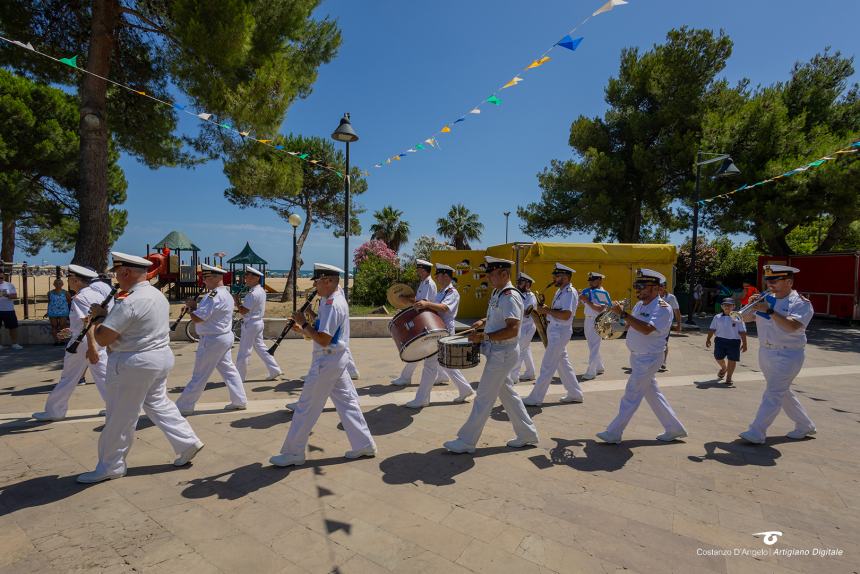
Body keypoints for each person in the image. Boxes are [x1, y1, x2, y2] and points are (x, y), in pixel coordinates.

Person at [77, 252, 203, 483]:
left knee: (120, 416)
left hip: (133, 363)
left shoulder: (130, 301)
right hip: (159, 357)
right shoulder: (156, 295)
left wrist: (98, 318)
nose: (116, 277)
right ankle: (187, 442)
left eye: (117, 273)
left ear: (125, 272)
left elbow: (104, 338)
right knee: (157, 402)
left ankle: (111, 465)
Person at [269, 264, 376, 467]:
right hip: (335, 360)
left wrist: (303, 322)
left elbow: (324, 339)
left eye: (317, 281)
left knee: (305, 407)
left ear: (328, 281)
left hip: (327, 361)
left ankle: (293, 452)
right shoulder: (330, 301)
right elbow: (324, 330)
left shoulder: (333, 303)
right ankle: (364, 444)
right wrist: (303, 329)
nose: (315, 286)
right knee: (347, 404)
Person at [443, 257, 539, 453]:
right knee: (508, 394)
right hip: (498, 351)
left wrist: (484, 336)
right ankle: (527, 433)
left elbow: (513, 329)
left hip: (503, 353)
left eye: (492, 274)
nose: (489, 277)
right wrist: (482, 321)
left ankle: (467, 441)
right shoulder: (499, 292)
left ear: (504, 274)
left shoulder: (510, 296)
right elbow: (499, 317)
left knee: (484, 398)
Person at [596, 269, 687, 444]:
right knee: (653, 394)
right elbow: (632, 326)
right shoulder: (640, 305)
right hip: (638, 357)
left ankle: (614, 432)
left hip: (649, 358)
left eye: (642, 286)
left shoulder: (663, 308)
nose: (638, 289)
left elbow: (646, 329)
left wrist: (623, 314)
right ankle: (674, 428)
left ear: (656, 289)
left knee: (631, 395)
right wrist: (613, 323)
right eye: (637, 286)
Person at [738, 265, 816, 444]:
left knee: (773, 392)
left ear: (789, 282)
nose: (769, 284)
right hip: (765, 352)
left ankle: (757, 431)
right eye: (768, 280)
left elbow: (793, 327)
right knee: (782, 391)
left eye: (774, 280)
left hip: (788, 354)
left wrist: (769, 310)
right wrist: (750, 306)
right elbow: (746, 318)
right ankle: (805, 425)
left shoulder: (800, 303)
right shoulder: (767, 299)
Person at [32, 265, 113, 422]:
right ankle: (115, 408)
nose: (68, 281)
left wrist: (91, 347)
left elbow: (88, 322)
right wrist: (71, 331)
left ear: (75, 280)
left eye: (69, 278)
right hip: (95, 340)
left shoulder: (81, 297)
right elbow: (92, 321)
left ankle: (55, 411)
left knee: (68, 378)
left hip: (83, 344)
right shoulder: (96, 295)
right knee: (104, 377)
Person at [175, 264, 248, 415]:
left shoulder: (213, 295)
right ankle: (239, 400)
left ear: (216, 278)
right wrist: (194, 307)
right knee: (229, 370)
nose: (203, 281)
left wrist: (191, 309)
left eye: (206, 277)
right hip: (223, 337)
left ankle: (184, 405)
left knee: (200, 374)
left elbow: (198, 319)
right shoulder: (225, 293)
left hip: (212, 339)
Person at [405, 263, 475, 408]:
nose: (438, 278)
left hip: (444, 331)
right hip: (438, 329)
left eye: (442, 275)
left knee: (430, 365)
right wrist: (423, 304)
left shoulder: (452, 292)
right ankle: (465, 389)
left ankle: (422, 399)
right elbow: (435, 306)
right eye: (438, 275)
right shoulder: (441, 292)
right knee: (447, 364)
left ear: (447, 277)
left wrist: (427, 304)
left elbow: (444, 307)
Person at [522, 263, 583, 407]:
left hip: (560, 331)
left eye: (558, 276)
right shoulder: (561, 291)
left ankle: (536, 398)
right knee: (563, 365)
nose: (554, 278)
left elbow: (566, 315)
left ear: (567, 277)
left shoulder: (569, 292)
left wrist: (546, 311)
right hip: (556, 330)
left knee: (547, 366)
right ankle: (575, 393)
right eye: (554, 276)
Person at [391, 259, 447, 386]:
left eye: (420, 270)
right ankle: (443, 375)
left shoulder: (429, 284)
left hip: (425, 320)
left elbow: (423, 303)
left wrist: (407, 301)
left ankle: (406, 377)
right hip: (423, 318)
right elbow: (418, 301)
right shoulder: (423, 283)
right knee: (425, 351)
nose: (418, 272)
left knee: (416, 348)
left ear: (425, 270)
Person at [235, 266, 283, 382]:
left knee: (244, 351)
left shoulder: (252, 293)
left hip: (251, 324)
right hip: (257, 322)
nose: (245, 278)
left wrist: (236, 301)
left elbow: (243, 311)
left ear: (255, 278)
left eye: (247, 276)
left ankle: (239, 377)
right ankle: (274, 369)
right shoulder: (260, 290)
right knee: (261, 348)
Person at [706, 298, 747, 385]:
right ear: (722, 306)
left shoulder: (737, 317)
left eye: (729, 305)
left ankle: (729, 378)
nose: (727, 307)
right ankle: (724, 368)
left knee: (732, 359)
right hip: (720, 341)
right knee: (718, 357)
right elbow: (712, 329)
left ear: (734, 306)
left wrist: (745, 343)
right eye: (725, 305)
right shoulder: (717, 317)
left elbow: (742, 331)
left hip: (734, 342)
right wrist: (708, 339)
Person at [579, 272, 612, 380]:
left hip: (598, 320)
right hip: (588, 319)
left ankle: (591, 372)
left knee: (594, 346)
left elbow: (599, 309)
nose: (590, 283)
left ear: (599, 281)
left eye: (593, 280)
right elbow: (585, 304)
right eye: (590, 281)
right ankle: (599, 366)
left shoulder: (602, 293)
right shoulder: (588, 291)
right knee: (592, 345)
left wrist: (586, 300)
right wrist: (582, 298)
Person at [511, 272, 538, 382]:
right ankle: (530, 373)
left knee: (519, 351)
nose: (518, 285)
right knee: (525, 350)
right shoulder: (517, 294)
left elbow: (527, 312)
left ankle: (513, 377)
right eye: (518, 282)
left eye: (521, 283)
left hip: (527, 327)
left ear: (527, 285)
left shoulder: (530, 296)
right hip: (521, 327)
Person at [659, 281, 682, 372]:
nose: (660, 288)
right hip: (653, 324)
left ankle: (663, 362)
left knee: (664, 343)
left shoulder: (670, 298)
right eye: (659, 286)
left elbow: (676, 311)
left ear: (665, 287)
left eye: (662, 286)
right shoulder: (652, 296)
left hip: (665, 325)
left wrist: (679, 324)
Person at [0, 270, 22, 350]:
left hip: (9, 310)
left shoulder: (9, 285)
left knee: (13, 327)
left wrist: (7, 295)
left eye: (1, 277)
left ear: (4, 277)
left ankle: (14, 343)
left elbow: (15, 296)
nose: (0, 279)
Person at [47, 278, 71, 345]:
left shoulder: (66, 293)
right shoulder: (49, 293)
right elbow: (49, 302)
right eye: (56, 283)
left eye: (60, 283)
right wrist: (47, 311)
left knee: (63, 326)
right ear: (54, 284)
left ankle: (63, 341)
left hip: (63, 311)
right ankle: (56, 341)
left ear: (62, 284)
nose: (58, 285)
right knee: (54, 326)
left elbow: (69, 302)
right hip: (52, 311)